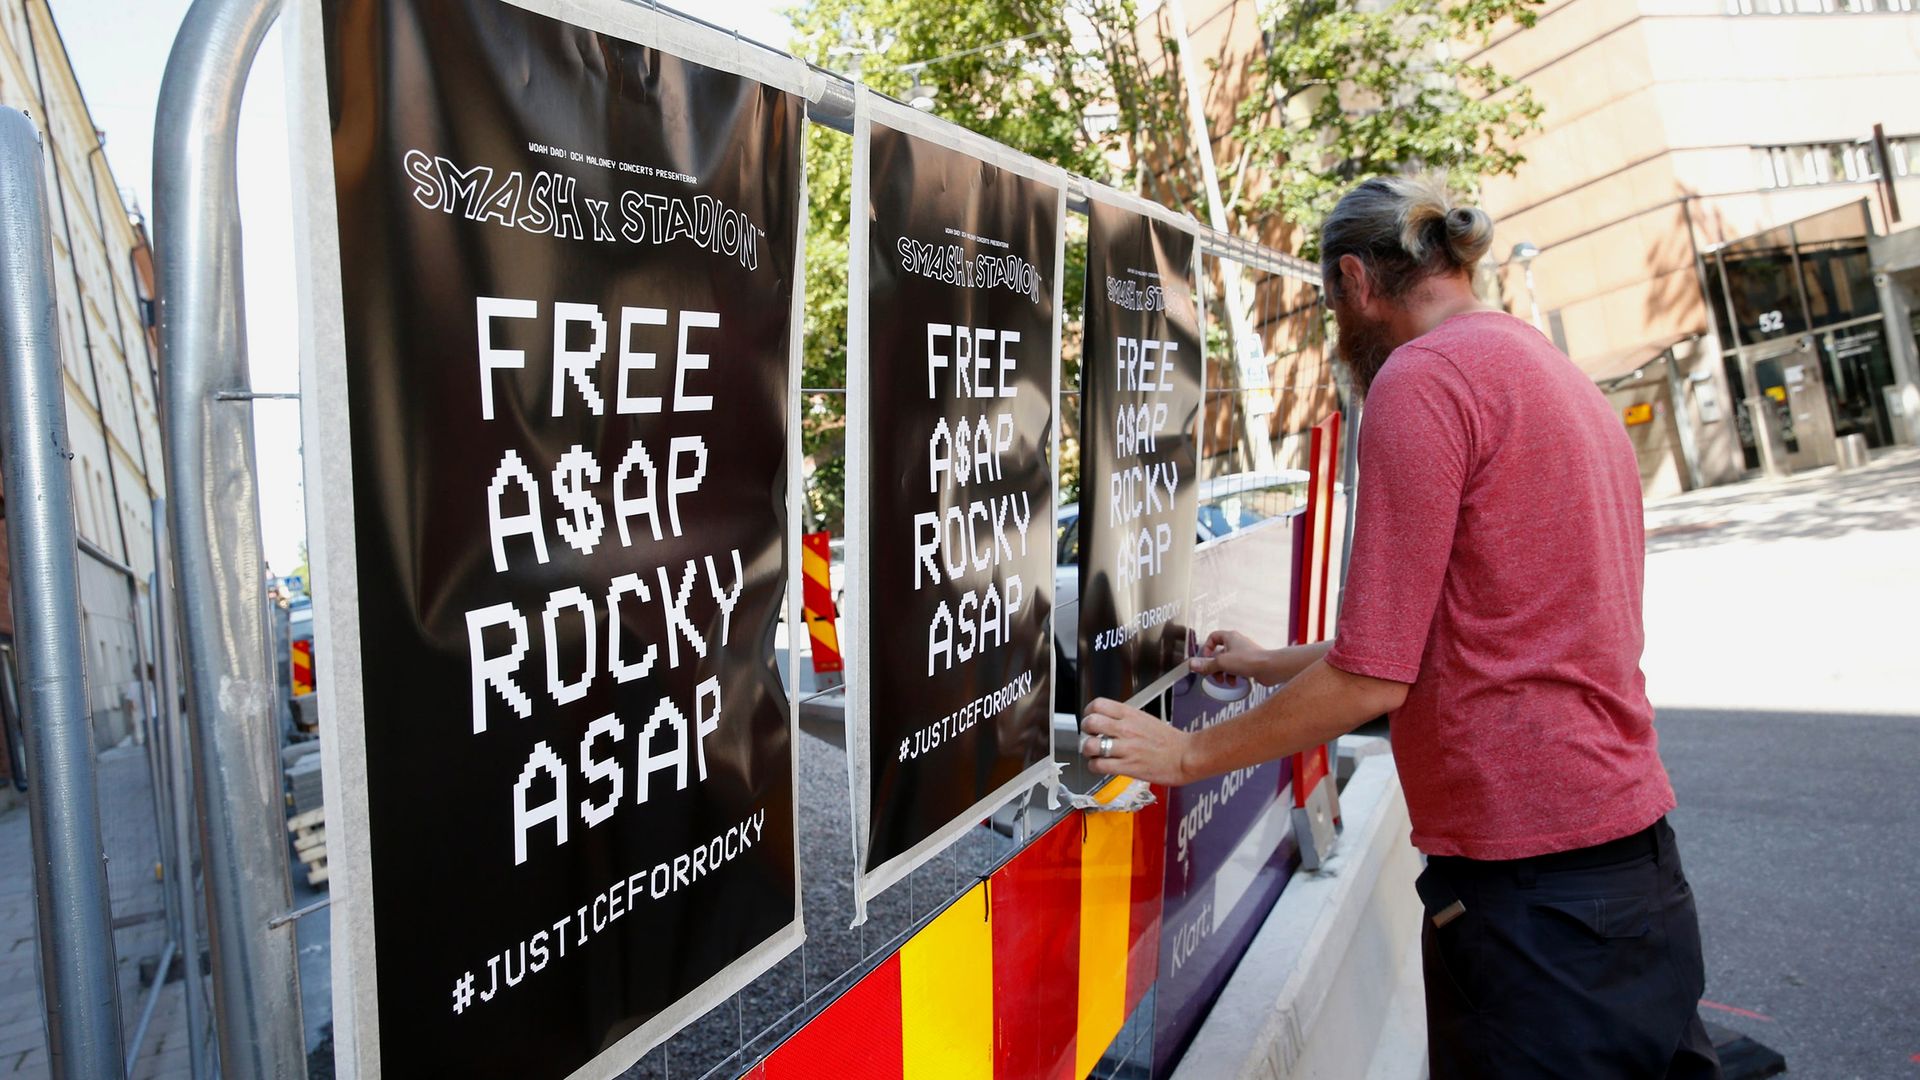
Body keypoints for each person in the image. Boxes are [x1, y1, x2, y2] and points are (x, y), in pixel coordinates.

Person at [1079, 175, 1720, 1079]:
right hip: (1632, 872)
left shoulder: (1422, 381)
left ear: (1352, 281)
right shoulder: (1544, 369)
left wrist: (1183, 756)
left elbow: (1378, 678)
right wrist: (1269, 665)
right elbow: (1469, 626)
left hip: (1532, 891)